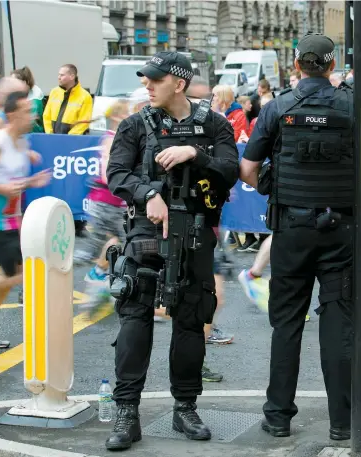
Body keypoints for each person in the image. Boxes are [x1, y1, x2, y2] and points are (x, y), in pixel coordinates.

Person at [239, 32, 361, 441]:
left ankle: (278, 417)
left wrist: (275, 184)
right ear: (331, 64)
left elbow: (248, 170)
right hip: (342, 231)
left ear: (296, 63)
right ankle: (343, 422)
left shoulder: (277, 107)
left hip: (291, 230)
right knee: (338, 324)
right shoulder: (354, 106)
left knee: (286, 324)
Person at [105, 51, 239, 451]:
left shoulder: (213, 124)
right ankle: (126, 413)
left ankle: (185, 408)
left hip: (195, 232)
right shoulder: (135, 124)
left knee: (191, 318)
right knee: (134, 318)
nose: (147, 85)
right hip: (147, 233)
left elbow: (231, 168)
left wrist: (196, 154)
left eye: (155, 80)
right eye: (146, 80)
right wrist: (148, 193)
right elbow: (116, 174)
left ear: (178, 83)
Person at [0, 91, 51, 348]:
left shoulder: (21, 143)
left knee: (14, 276)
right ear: (12, 115)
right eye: (27, 111)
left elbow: (10, 180)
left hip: (12, 222)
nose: (33, 116)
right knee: (21, 276)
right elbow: (1, 184)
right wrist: (1, 190)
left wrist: (30, 181)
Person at [43, 64, 93, 135]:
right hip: (52, 138)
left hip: (72, 141)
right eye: (59, 75)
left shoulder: (85, 96)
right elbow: (46, 116)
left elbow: (84, 122)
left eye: (62, 75)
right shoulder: (54, 92)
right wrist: (50, 134)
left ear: (72, 76)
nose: (58, 77)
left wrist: (68, 138)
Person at [11, 67, 44, 133]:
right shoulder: (16, 95)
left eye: (14, 81)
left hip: (34, 136)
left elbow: (30, 123)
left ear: (24, 82)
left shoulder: (35, 99)